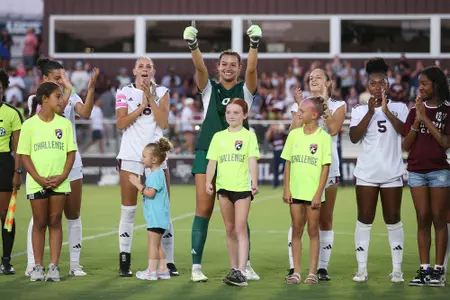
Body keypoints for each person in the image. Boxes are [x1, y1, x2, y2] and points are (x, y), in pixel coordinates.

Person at [183, 20, 262, 282]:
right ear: (218, 67)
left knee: (241, 213)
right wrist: (193, 45)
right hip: (208, 152)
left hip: (237, 158)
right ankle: (196, 267)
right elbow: (199, 67)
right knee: (203, 210)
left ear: (238, 68)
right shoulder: (209, 90)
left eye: (233, 64)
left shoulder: (245, 92)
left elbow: (253, 69)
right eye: (224, 64)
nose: (228, 68)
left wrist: (254, 45)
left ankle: (245, 264)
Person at [25, 58, 99, 277]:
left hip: (71, 162)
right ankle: (33, 263)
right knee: (39, 217)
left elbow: (85, 113)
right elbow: (55, 114)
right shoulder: (35, 100)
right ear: (45, 79)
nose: (63, 81)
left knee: (73, 213)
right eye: (58, 78)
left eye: (63, 77)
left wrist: (91, 87)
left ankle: (74, 264)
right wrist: (67, 89)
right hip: (44, 163)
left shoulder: (71, 94)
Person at [115, 56, 177, 277]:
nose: (144, 69)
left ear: (153, 71)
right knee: (129, 211)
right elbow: (121, 123)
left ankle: (168, 262)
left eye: (148, 67)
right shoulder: (124, 92)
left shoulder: (162, 92)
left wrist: (150, 97)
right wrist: (141, 106)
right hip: (132, 156)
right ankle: (124, 260)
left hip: (158, 160)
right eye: (140, 66)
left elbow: (163, 123)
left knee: (163, 211)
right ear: (134, 70)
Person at [349, 58, 409, 283]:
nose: (377, 87)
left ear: (388, 85)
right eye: (373, 83)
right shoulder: (358, 110)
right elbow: (354, 137)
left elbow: (404, 132)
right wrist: (371, 113)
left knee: (393, 219)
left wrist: (386, 111)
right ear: (367, 85)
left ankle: (397, 269)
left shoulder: (400, 107)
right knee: (364, 219)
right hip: (366, 174)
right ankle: (361, 269)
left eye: (381, 83)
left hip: (392, 172)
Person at [287, 68, 346, 280]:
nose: (313, 79)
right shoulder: (299, 105)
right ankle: (294, 267)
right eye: (310, 77)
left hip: (327, 169)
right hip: (302, 168)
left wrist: (323, 104)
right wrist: (301, 107)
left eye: (318, 77)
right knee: (297, 221)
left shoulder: (338, 105)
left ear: (328, 83)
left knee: (325, 219)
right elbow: (293, 133)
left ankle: (322, 267)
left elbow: (333, 130)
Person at [17, 82, 77, 281]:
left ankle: (53, 267)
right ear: (45, 99)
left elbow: (71, 153)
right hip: (37, 182)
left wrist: (62, 176)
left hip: (59, 182)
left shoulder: (65, 124)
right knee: (40, 223)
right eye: (58, 96)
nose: (61, 100)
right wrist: (38, 178)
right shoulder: (29, 125)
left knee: (55, 221)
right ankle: (37, 267)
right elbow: (25, 155)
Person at [403, 66, 450, 287]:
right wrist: (416, 120)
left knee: (439, 219)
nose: (420, 88)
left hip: (440, 170)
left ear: (436, 85)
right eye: (419, 84)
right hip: (415, 171)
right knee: (423, 218)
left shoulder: (448, 110)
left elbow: (445, 142)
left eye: (424, 84)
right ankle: (424, 270)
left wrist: (426, 119)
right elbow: (406, 146)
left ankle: (438, 271)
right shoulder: (414, 110)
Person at [206, 99, 259, 286]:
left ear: (244, 115)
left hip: (242, 187)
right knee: (229, 229)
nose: (231, 116)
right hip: (223, 188)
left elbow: (252, 159)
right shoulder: (218, 137)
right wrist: (208, 182)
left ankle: (242, 272)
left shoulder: (249, 136)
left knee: (240, 228)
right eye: (229, 112)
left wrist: (254, 181)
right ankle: (234, 268)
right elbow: (212, 161)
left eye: (236, 113)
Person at [282, 96, 331, 284]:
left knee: (313, 230)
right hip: (295, 192)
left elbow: (325, 167)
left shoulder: (323, 137)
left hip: (313, 193)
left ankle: (312, 272)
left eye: (302, 111)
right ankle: (296, 271)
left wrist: (319, 193)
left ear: (315, 114)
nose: (298, 113)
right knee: (296, 229)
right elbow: (288, 163)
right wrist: (287, 188)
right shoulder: (294, 134)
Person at [129, 138, 173, 281]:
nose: (142, 159)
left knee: (152, 245)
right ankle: (163, 269)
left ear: (153, 159)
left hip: (156, 216)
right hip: (159, 216)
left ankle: (151, 272)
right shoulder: (158, 174)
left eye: (144, 156)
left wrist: (137, 184)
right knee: (157, 244)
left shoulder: (155, 175)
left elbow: (150, 193)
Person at [0, 69, 23, 274]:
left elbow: (18, 148)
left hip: (4, 165)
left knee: (5, 214)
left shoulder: (12, 113)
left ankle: (6, 260)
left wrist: (18, 172)